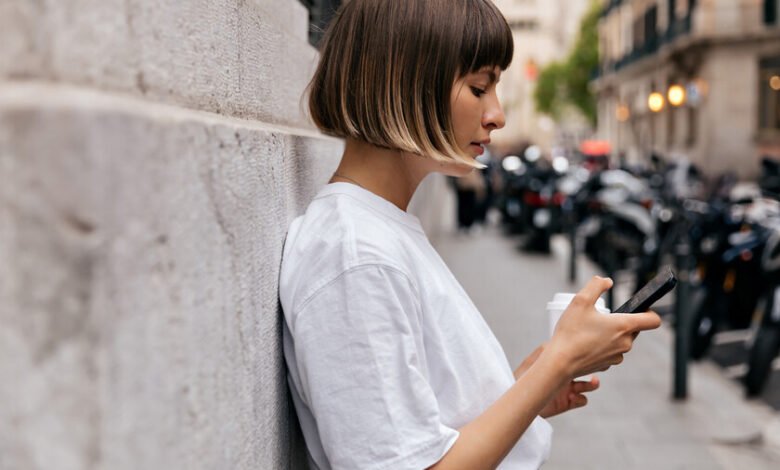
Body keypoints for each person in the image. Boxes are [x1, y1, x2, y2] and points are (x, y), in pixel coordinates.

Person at [279, 1, 662, 469]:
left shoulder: (376, 231)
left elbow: (426, 424)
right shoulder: (357, 255)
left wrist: (533, 387)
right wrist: (558, 362)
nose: (497, 115)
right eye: (479, 87)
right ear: (405, 81)